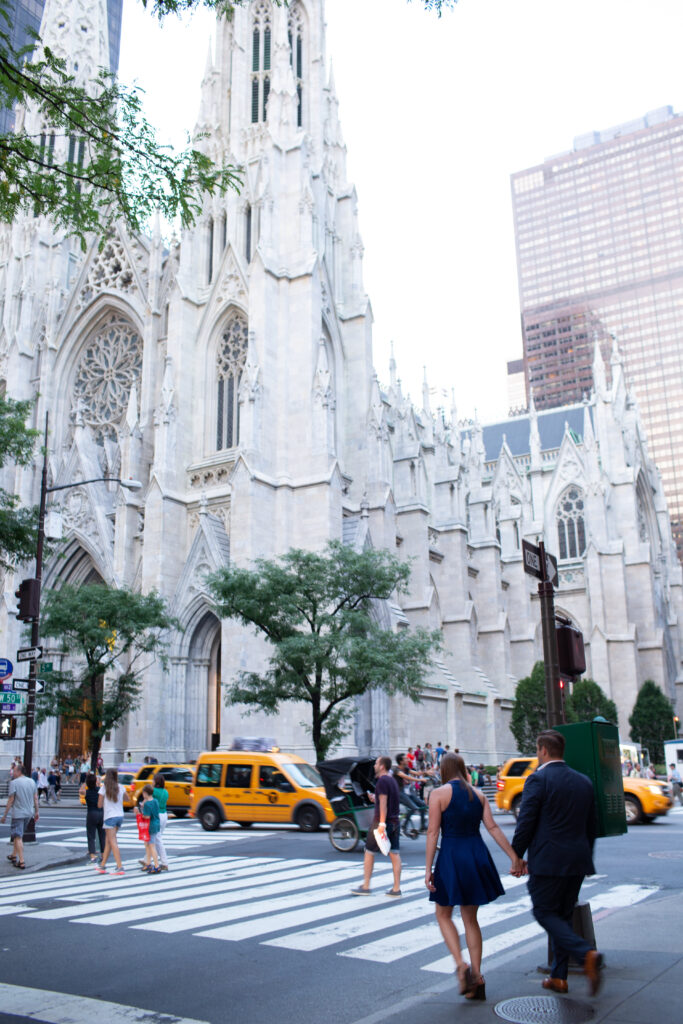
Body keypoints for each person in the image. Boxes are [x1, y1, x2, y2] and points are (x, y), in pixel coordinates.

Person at [512, 729, 603, 996]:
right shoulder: (584, 782)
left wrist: (517, 855)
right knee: (562, 915)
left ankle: (585, 954)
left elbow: (526, 822)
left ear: (542, 750)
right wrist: (586, 858)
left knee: (543, 912)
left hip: (548, 860)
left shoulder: (537, 780)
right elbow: (591, 827)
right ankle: (559, 976)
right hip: (577, 859)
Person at [426, 752, 523, 1002]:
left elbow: (433, 832)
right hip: (476, 854)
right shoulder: (478, 795)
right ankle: (478, 977)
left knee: (443, 913)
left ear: (443, 769)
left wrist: (428, 869)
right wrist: (514, 857)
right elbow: (492, 827)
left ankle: (461, 965)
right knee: (471, 919)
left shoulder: (438, 794)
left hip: (451, 855)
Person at [351, 755, 402, 897]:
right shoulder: (391, 780)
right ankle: (396, 888)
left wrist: (381, 824)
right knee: (395, 854)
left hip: (382, 822)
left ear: (382, 766)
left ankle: (366, 885)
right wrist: (376, 799)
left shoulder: (382, 781)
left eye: (376, 763)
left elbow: (384, 804)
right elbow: (386, 801)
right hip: (395, 821)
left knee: (369, 852)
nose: (374, 766)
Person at [1, 762, 39, 869]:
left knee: (18, 836)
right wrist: (37, 812)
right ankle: (13, 855)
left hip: (18, 813)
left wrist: (4, 815)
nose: (12, 772)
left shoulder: (14, 783)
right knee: (18, 834)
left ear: (18, 772)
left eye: (14, 770)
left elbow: (11, 800)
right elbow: (35, 798)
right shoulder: (32, 782)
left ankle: (21, 861)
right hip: (29, 813)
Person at [96, 767, 126, 875]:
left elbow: (99, 805)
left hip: (110, 817)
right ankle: (103, 864)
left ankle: (120, 866)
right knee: (108, 841)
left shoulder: (104, 788)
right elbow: (127, 798)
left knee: (112, 841)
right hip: (120, 816)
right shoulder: (121, 787)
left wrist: (104, 801)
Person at [394, 753, 428, 834]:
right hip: (398, 793)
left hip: (406, 792)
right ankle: (404, 826)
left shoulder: (405, 768)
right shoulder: (396, 770)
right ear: (401, 761)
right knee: (413, 808)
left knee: (423, 805)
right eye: (405, 759)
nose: (408, 760)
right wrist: (420, 780)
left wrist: (427, 772)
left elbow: (417, 773)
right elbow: (407, 777)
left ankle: (423, 826)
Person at [79, 772, 105, 862]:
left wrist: (85, 782)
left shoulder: (87, 792)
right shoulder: (100, 790)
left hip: (91, 813)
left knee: (91, 835)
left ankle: (93, 855)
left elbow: (80, 790)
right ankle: (103, 855)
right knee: (102, 835)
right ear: (95, 782)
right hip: (101, 813)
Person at [136, 790, 160, 873]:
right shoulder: (155, 801)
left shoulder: (147, 804)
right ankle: (148, 863)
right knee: (147, 844)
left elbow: (146, 816)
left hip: (150, 825)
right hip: (156, 824)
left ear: (145, 793)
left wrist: (139, 813)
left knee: (151, 846)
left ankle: (156, 865)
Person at [151, 772, 169, 871]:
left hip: (156, 815)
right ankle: (147, 858)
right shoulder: (165, 792)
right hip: (164, 814)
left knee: (156, 838)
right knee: (156, 837)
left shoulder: (153, 791)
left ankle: (164, 862)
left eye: (153, 780)